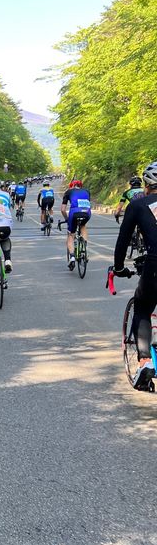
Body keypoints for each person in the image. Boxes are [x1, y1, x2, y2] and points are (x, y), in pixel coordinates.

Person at [113, 161, 157, 390]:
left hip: (155, 263)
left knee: (142, 308)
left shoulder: (138, 204)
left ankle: (145, 362)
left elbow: (123, 241)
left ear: (147, 185)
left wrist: (119, 267)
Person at [61, 179, 91, 270]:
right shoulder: (87, 191)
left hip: (74, 213)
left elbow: (63, 210)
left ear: (72, 186)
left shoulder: (68, 192)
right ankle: (84, 247)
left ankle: (72, 257)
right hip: (87, 212)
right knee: (83, 226)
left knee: (71, 235)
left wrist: (67, 219)